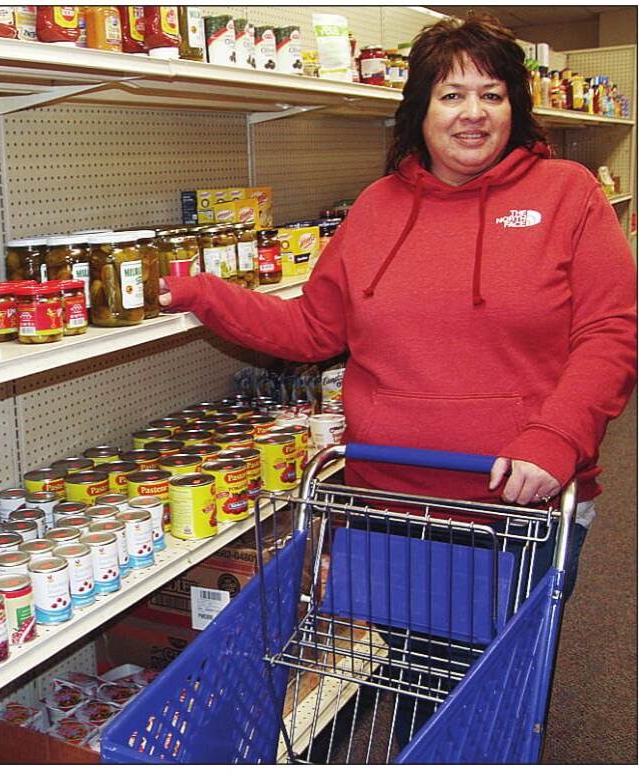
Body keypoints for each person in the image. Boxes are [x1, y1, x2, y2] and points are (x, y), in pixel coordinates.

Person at [160, 12, 636, 753]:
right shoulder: (376, 208)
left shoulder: (565, 192)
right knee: (416, 667)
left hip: (513, 498)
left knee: (489, 685)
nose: (473, 113)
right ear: (418, 110)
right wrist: (203, 295)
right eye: (450, 95)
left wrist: (556, 436)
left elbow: (609, 333)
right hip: (388, 494)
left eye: (491, 93)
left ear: (515, 104)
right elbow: (313, 332)